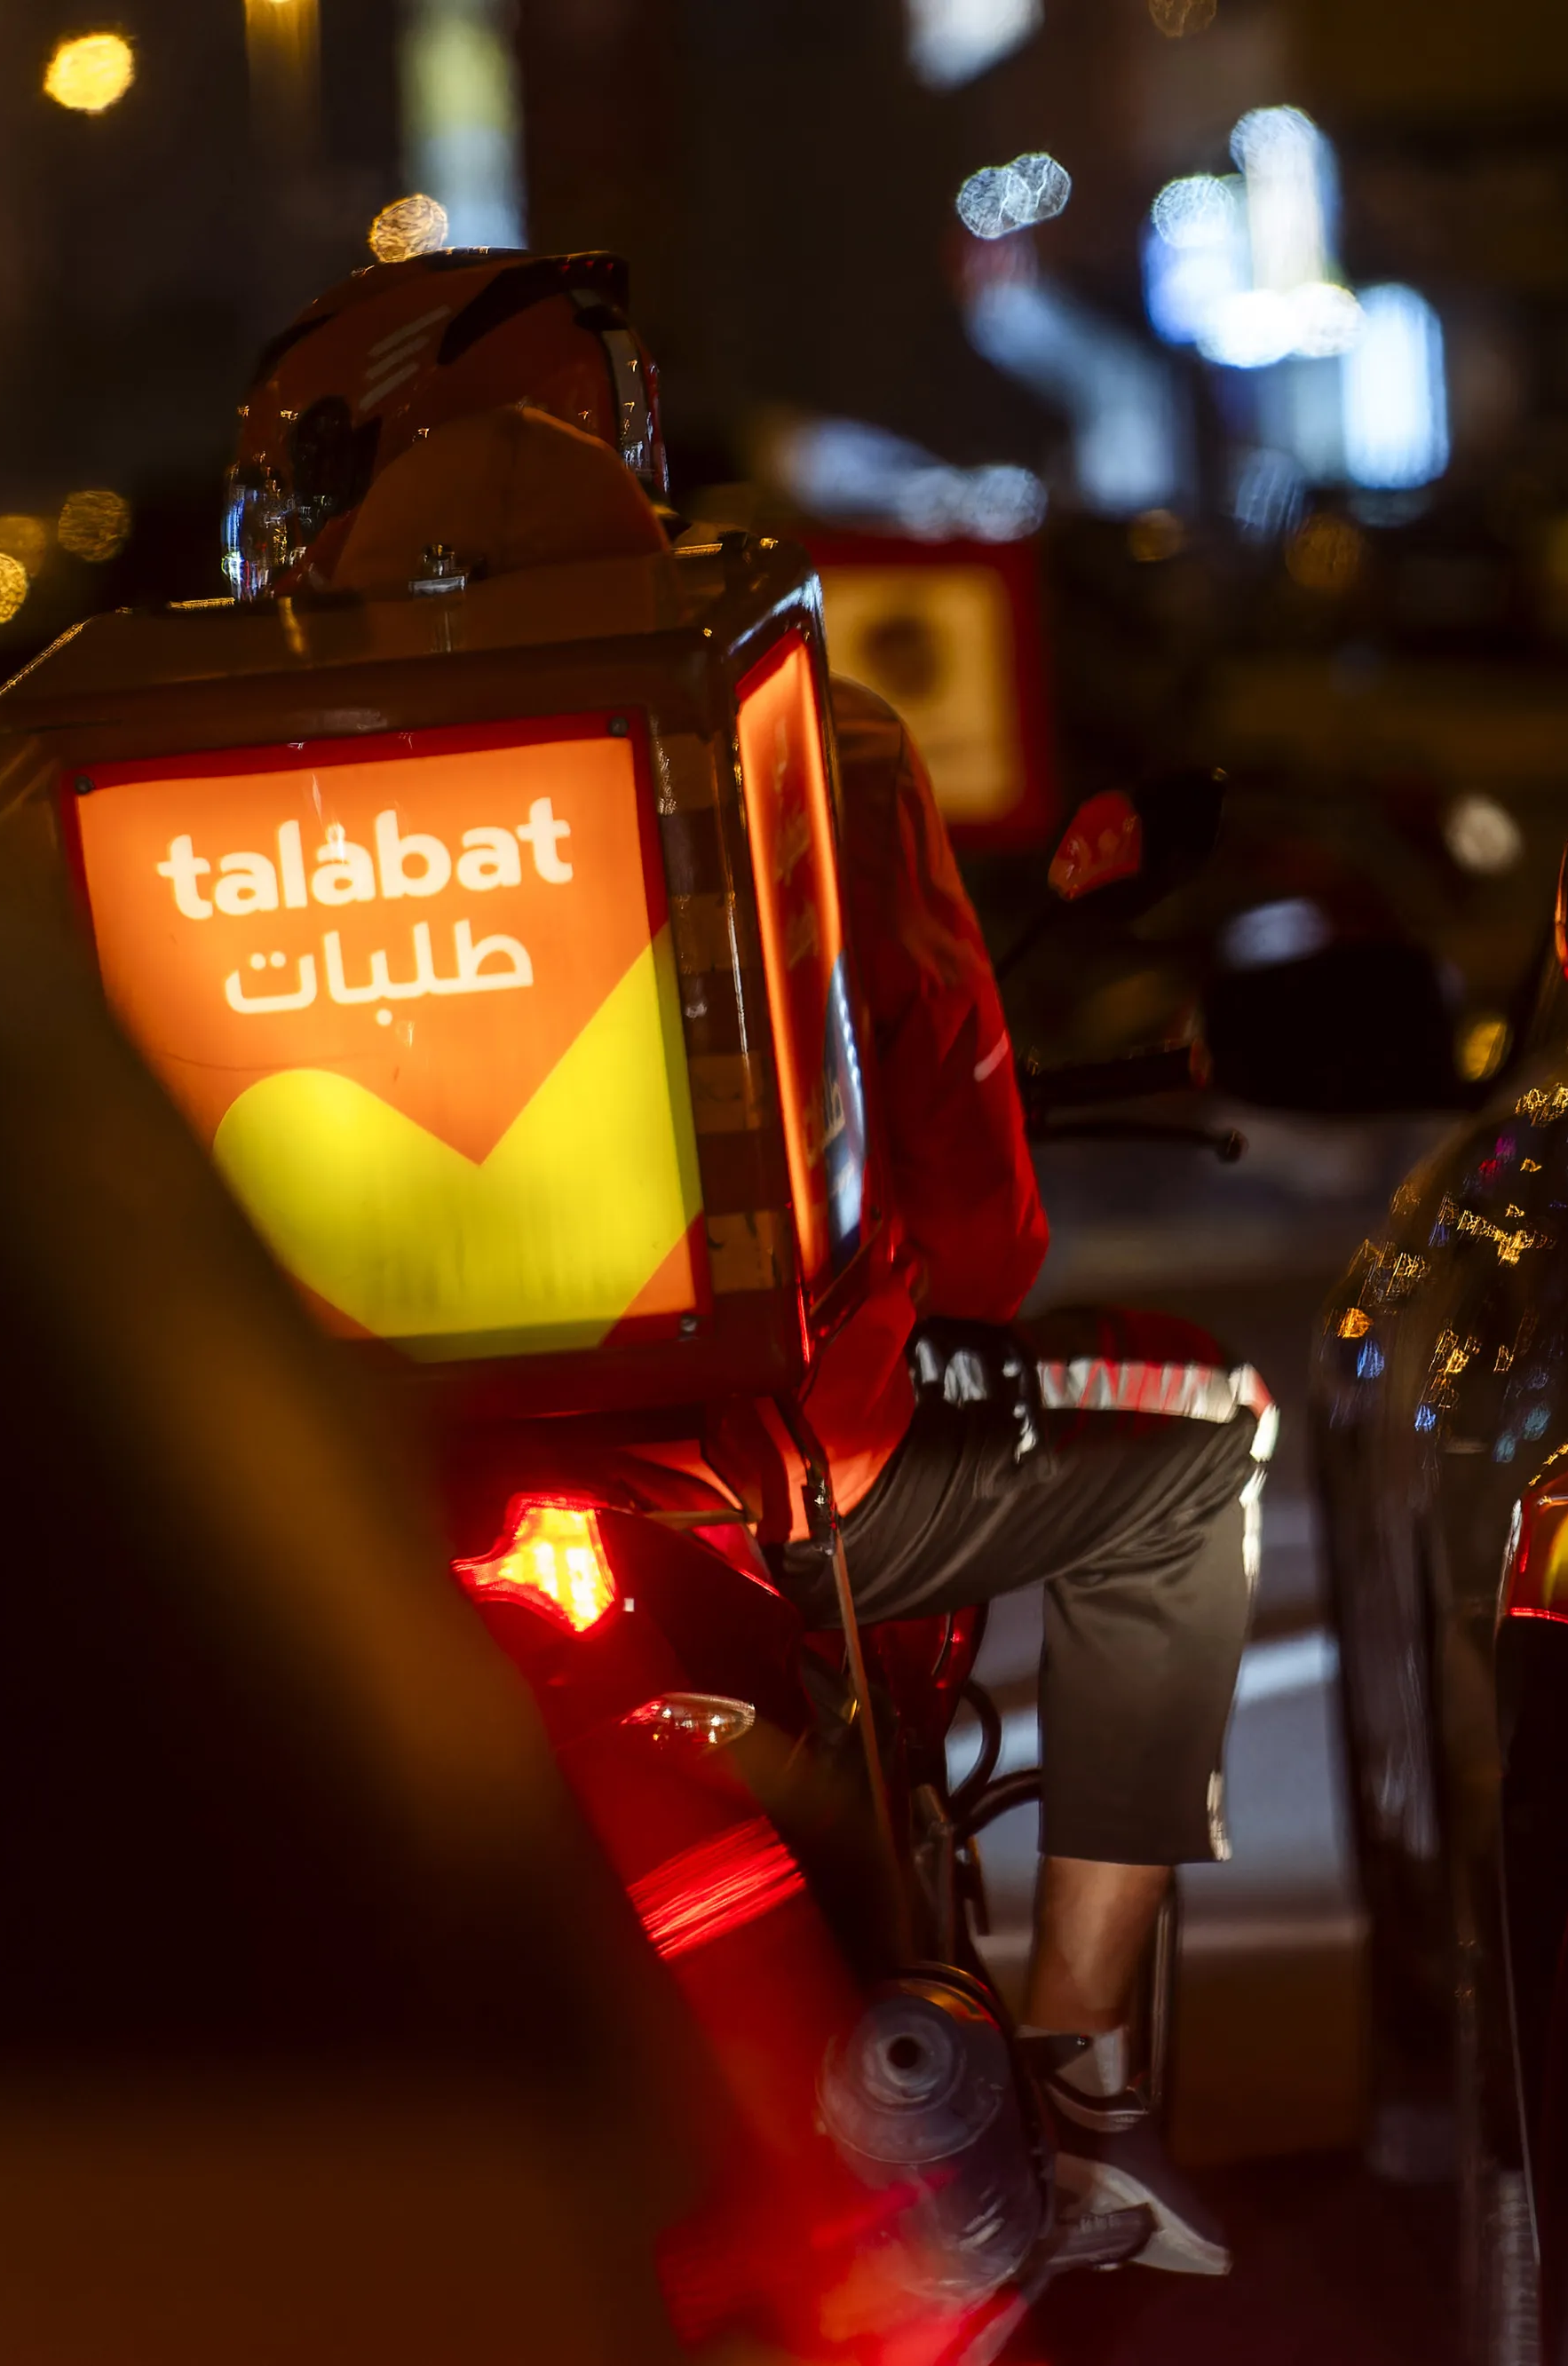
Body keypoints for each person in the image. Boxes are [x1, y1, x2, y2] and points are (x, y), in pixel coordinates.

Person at [219, 249, 1263, 2274]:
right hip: (791, 1476)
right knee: (1197, 1431)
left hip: (347, 1492)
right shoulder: (805, 730)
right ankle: (1073, 2074)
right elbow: (975, 1214)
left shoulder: (205, 765)